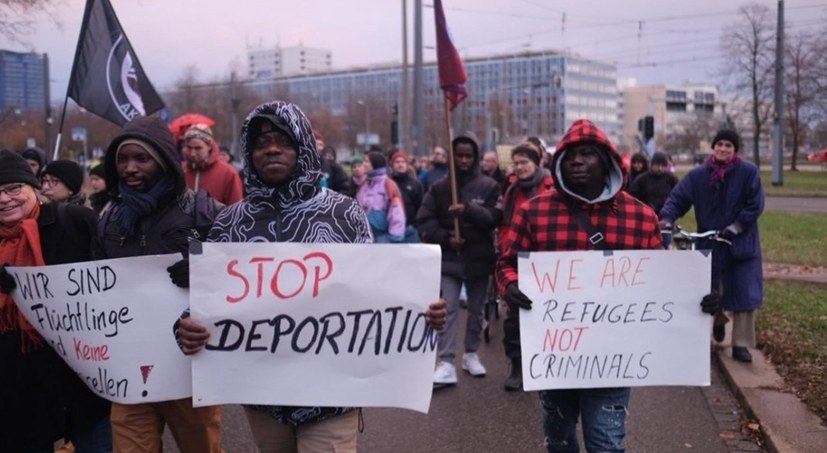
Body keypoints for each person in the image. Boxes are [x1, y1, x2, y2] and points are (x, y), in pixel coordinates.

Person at [176, 100, 447, 453]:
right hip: (263, 398)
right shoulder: (230, 223)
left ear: (303, 145)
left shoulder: (344, 214)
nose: (271, 148)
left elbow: (377, 296)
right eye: (261, 142)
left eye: (284, 140)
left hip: (331, 399)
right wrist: (187, 327)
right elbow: (206, 304)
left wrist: (421, 313)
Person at [495, 119, 719, 452]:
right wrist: (511, 287)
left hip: (613, 357)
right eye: (570, 155)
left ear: (608, 161)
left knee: (606, 442)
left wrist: (698, 297)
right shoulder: (534, 212)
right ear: (558, 163)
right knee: (559, 436)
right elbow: (506, 264)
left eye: (587, 154)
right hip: (556, 356)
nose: (577, 161)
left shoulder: (640, 217)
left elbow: (661, 280)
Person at [98, 115, 223, 453]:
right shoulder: (107, 218)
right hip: (129, 369)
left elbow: (238, 274)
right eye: (122, 159)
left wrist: (204, 272)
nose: (130, 168)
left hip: (188, 368)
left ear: (164, 162)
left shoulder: (201, 214)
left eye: (141, 158)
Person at [0, 150, 112, 452]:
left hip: (83, 382)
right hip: (17, 392)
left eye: (13, 189)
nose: (4, 199)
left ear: (33, 189)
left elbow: (117, 274)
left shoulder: (74, 221)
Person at [659, 129, 764, 363]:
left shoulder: (748, 172)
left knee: (744, 294)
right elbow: (678, 199)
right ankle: (718, 323)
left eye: (728, 145)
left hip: (741, 243)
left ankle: (740, 344)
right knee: (708, 290)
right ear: (713, 147)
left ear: (735, 149)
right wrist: (667, 218)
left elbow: (755, 205)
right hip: (710, 242)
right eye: (719, 144)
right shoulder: (698, 176)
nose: (723, 149)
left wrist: (736, 227)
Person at [418, 134, 501, 386]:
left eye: (469, 156)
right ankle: (445, 361)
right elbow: (424, 219)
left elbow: (494, 218)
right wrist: (445, 237)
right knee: (449, 308)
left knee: (476, 310)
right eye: (459, 155)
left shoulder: (489, 186)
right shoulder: (440, 187)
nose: (464, 160)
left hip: (478, 259)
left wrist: (468, 210)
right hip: (450, 260)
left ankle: (471, 353)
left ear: (475, 158)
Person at [497, 141, 554, 391]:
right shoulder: (511, 191)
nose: (519, 168)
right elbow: (505, 223)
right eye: (516, 163)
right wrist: (507, 246)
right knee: (515, 317)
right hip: (518, 257)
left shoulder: (551, 186)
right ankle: (518, 366)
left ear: (537, 163)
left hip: (548, 261)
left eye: (524, 163)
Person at [181, 123, 244, 205]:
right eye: (189, 147)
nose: (192, 153)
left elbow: (236, 208)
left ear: (209, 146)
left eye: (198, 148)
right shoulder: (181, 171)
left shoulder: (228, 173)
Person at [357, 151, 407, 243]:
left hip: (382, 241)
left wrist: (392, 238)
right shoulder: (363, 184)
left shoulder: (388, 185)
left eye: (367, 161)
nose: (363, 164)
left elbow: (397, 214)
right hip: (364, 240)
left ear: (375, 164)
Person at [390, 150, 424, 242]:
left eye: (403, 162)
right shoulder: (388, 184)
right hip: (391, 229)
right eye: (397, 162)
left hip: (410, 229)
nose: (400, 165)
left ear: (407, 165)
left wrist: (416, 225)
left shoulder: (415, 184)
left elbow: (421, 206)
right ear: (392, 165)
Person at [314, 130, 351, 195]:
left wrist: (330, 199)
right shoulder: (299, 166)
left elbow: (344, 189)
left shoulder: (333, 167)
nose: (319, 148)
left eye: (321, 144)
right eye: (316, 144)